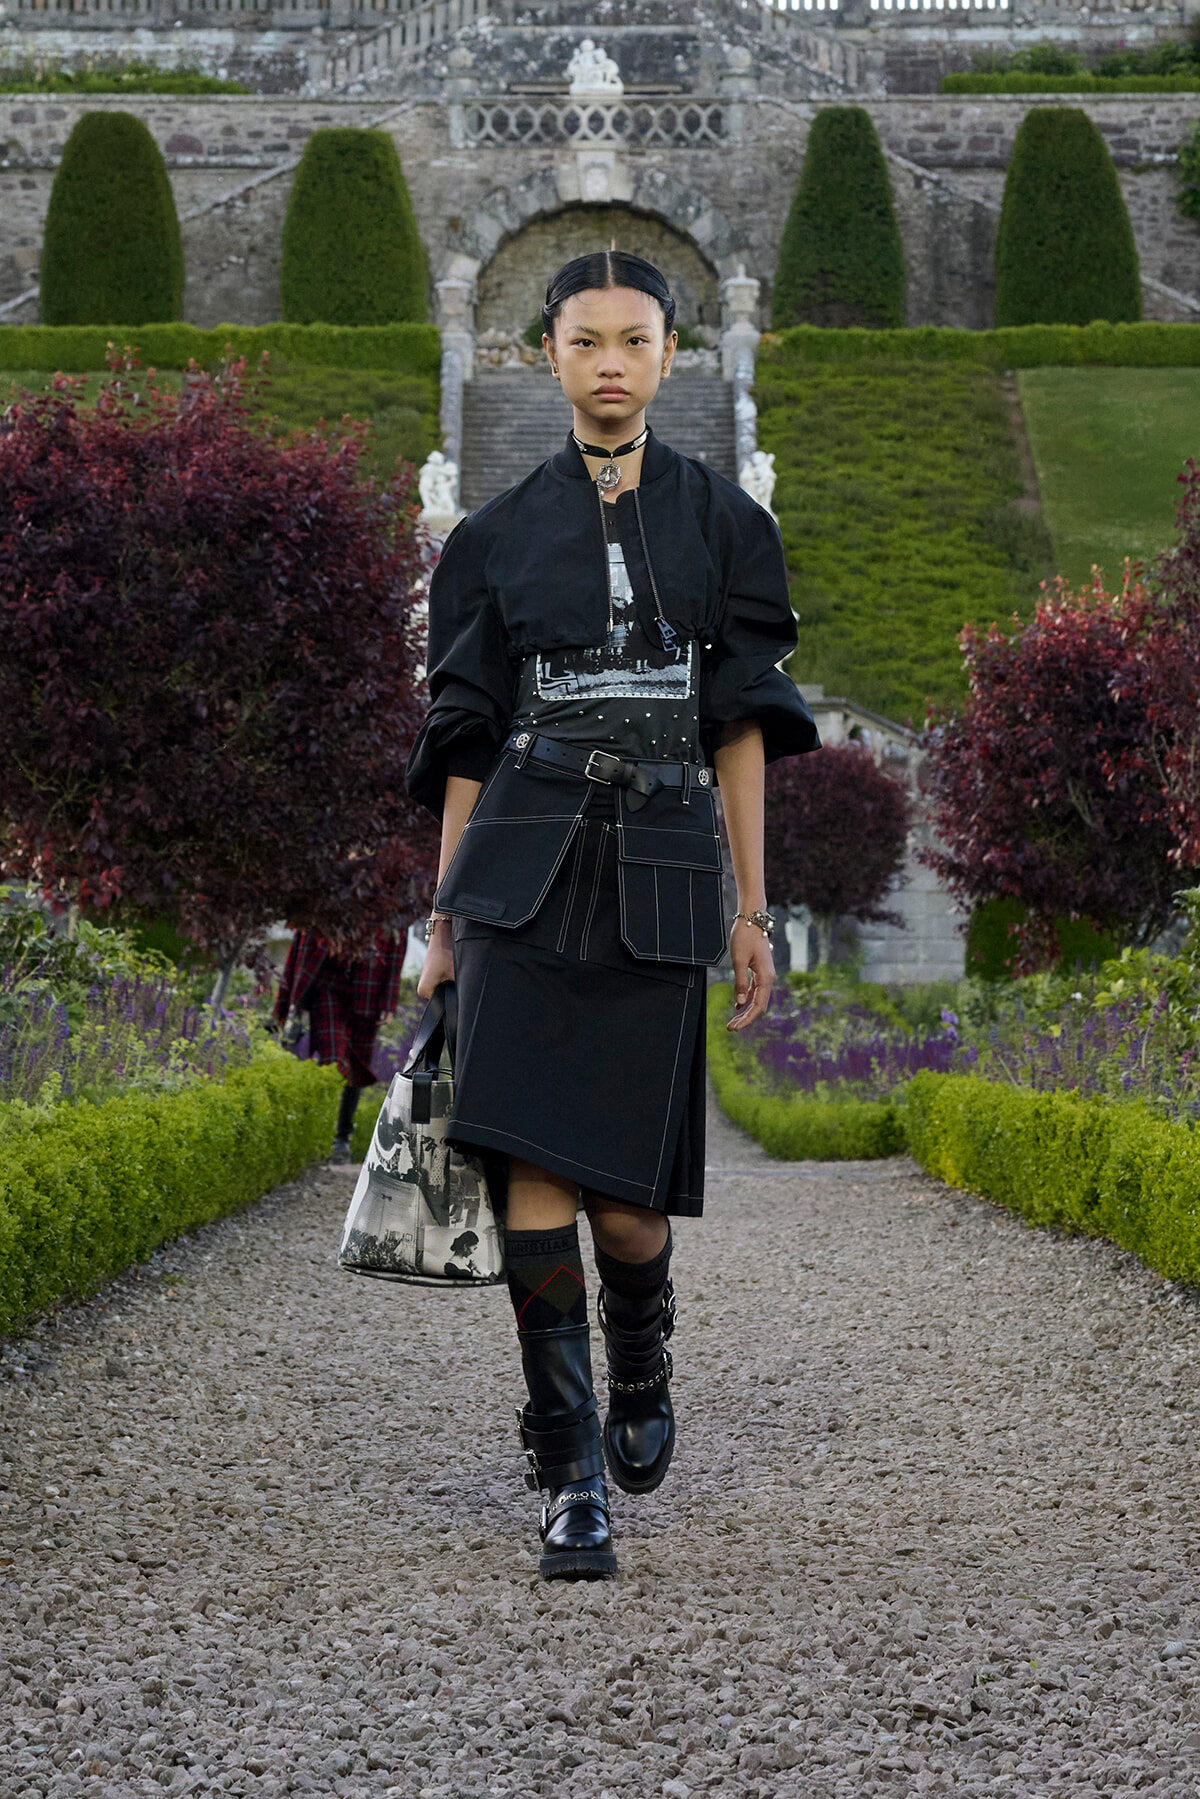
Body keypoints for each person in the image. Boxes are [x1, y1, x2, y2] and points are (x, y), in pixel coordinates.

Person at [407, 250, 818, 1580]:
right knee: (530, 1171)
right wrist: (443, 916)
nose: (608, 364)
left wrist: (755, 908)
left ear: (668, 355)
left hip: (657, 872)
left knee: (628, 1211)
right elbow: (466, 735)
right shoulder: (492, 535)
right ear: (547, 355)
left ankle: (639, 1338)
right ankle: (568, 1462)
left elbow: (741, 724)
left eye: (633, 341)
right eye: (584, 341)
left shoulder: (722, 524)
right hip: (521, 873)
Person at [273, 930, 403, 1163]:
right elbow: (303, 942)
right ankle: (319, 1138)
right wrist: (292, 1000)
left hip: (367, 990)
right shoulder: (330, 895)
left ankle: (342, 1137)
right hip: (327, 985)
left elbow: (396, 949)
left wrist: (388, 1002)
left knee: (356, 1065)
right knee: (332, 1061)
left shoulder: (393, 899)